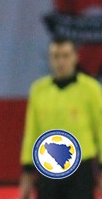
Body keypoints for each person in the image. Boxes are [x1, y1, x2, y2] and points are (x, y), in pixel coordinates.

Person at [19, 37, 102, 199]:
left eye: (66, 56)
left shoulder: (91, 89)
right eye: (56, 56)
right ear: (49, 59)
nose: (61, 62)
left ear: (75, 57)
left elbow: (100, 128)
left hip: (81, 167)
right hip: (48, 166)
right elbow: (31, 132)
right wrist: (27, 171)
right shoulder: (39, 90)